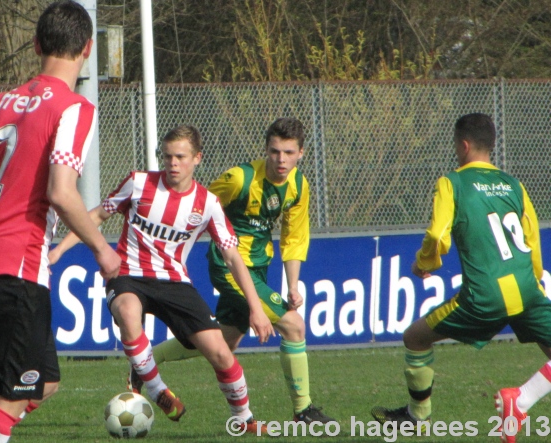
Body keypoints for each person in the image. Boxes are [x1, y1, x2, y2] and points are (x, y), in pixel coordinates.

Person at [0, 2, 121, 442]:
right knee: (11, 396)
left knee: (43, 382)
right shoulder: (74, 107)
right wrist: (103, 250)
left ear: (36, 45)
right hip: (17, 264)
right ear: (88, 49)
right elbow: (61, 191)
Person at [48, 125, 275, 432]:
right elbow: (97, 216)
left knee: (221, 352)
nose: (172, 163)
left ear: (197, 158)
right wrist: (58, 251)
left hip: (174, 282)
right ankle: (157, 390)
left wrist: (256, 309)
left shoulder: (207, 203)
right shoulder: (138, 183)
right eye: (167, 156)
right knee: (128, 312)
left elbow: (233, 257)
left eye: (180, 157)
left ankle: (244, 420)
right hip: (128, 274)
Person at [129, 117, 335, 424]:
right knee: (293, 326)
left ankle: (147, 362)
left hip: (259, 267)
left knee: (223, 341)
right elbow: (199, 203)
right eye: (275, 151)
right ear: (266, 149)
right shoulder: (241, 178)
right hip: (230, 266)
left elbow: (294, 237)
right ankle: (303, 411)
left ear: (301, 153)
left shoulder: (299, 186)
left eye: (289, 153)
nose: (281, 159)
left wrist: (293, 285)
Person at [370, 113, 551, 443]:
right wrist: (535, 282)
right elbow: (532, 241)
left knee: (415, 337)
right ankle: (521, 400)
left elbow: (438, 234)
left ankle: (417, 417)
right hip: (527, 290)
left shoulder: (452, 183)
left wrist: (425, 262)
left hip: (483, 296)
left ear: (463, 145)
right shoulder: (514, 185)